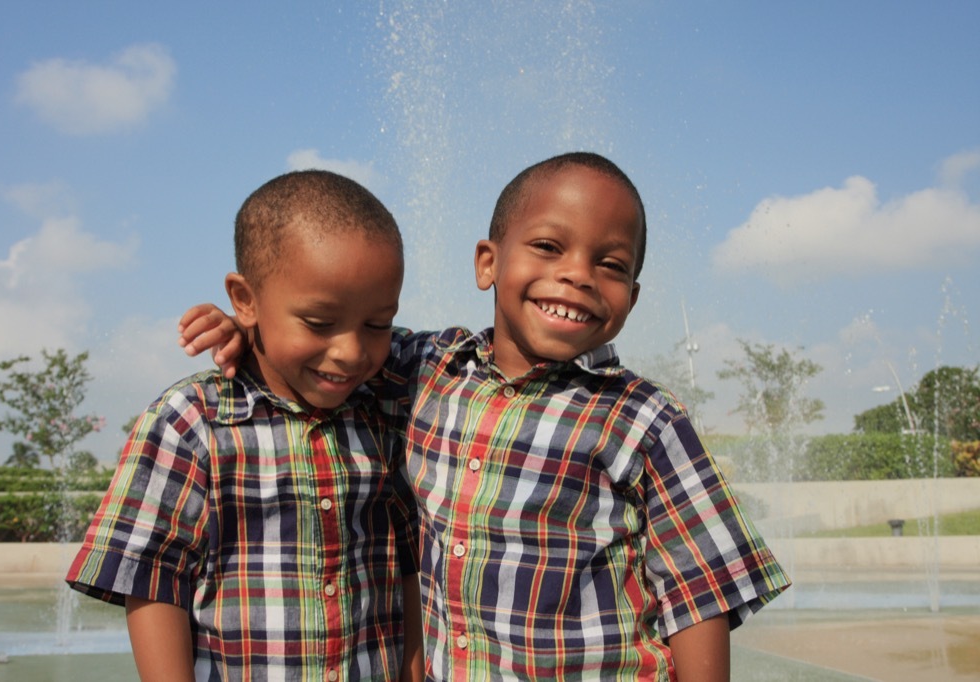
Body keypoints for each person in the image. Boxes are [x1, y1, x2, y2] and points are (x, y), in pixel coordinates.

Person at [182, 152, 790, 681]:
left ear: (631, 295)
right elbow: (334, 344)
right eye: (549, 247)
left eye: (611, 264)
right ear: (488, 263)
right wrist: (252, 325)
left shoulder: (643, 419)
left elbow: (700, 592)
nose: (578, 274)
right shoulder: (425, 368)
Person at [68, 170, 424, 681]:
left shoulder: (384, 414)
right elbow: (153, 580)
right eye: (319, 323)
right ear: (244, 298)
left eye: (377, 324)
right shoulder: (193, 422)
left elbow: (407, 564)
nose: (351, 352)